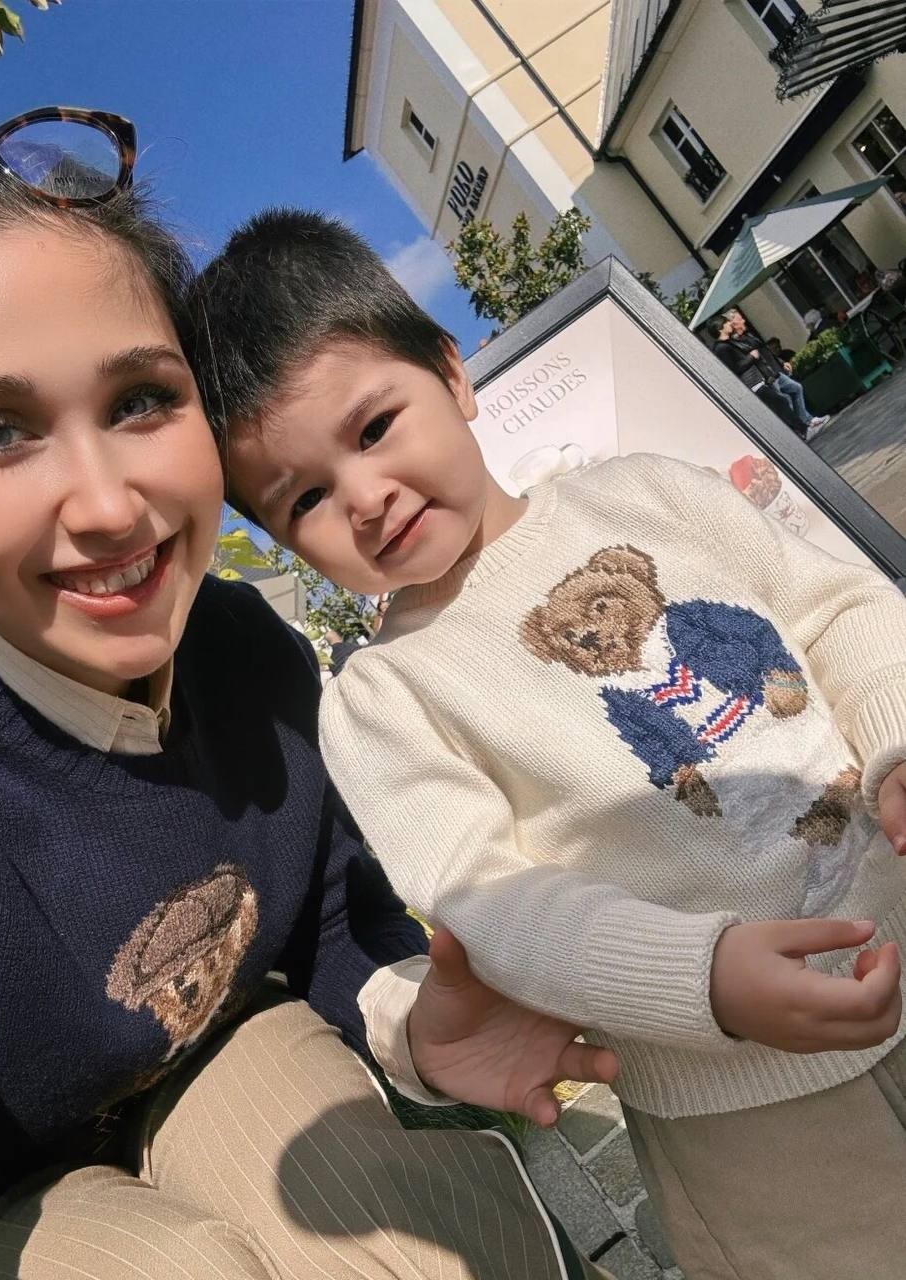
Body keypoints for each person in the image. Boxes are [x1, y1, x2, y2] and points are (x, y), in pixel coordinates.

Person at [0, 115, 620, 1280]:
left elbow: (331, 917)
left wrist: (421, 1021)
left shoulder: (250, 656)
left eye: (139, 399)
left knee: (424, 1247)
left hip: (203, 1055)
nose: (108, 505)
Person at [192, 208, 906, 1280]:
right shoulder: (384, 698)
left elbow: (837, 608)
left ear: (452, 373)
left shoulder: (647, 491)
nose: (366, 497)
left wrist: (896, 737)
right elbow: (494, 900)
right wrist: (701, 978)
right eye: (307, 499)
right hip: (743, 1104)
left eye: (374, 428)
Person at [722, 309, 830, 441]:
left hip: (774, 370)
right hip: (767, 376)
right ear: (733, 323)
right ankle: (799, 433)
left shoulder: (747, 335)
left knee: (796, 388)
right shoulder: (735, 344)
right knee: (784, 402)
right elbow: (750, 361)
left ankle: (807, 421)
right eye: (740, 319)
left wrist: (781, 362)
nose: (744, 321)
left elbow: (765, 351)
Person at [706, 316, 808, 436]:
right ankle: (802, 430)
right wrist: (751, 357)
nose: (729, 323)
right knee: (781, 403)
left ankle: (799, 431)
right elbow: (734, 369)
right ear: (719, 328)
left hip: (758, 381)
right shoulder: (721, 348)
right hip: (752, 385)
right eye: (726, 322)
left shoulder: (730, 342)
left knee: (780, 404)